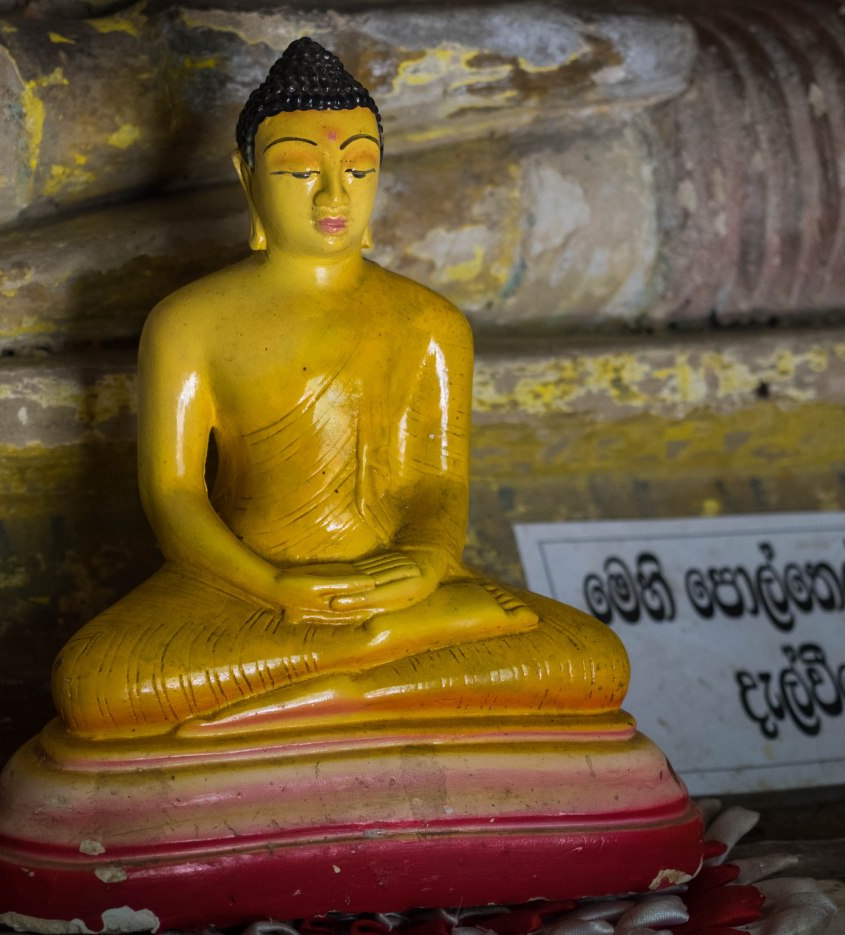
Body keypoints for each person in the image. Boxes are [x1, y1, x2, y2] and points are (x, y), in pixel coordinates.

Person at [51, 38, 629, 739]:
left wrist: (423, 566)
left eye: (358, 168)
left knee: (594, 662)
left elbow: (437, 486)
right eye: (299, 171)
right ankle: (371, 650)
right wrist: (272, 585)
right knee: (94, 682)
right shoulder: (187, 322)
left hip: (400, 582)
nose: (334, 195)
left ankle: (342, 666)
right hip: (237, 588)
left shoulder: (432, 323)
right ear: (246, 177)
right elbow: (174, 496)